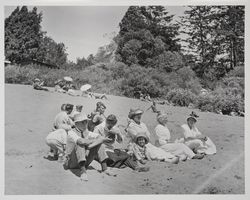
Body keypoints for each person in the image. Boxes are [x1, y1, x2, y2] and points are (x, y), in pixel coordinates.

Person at [64, 113, 116, 181]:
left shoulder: (86, 132)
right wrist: (94, 141)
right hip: (72, 162)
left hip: (84, 161)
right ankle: (83, 173)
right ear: (76, 124)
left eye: (86, 121)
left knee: (100, 144)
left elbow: (100, 137)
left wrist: (91, 145)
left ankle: (105, 169)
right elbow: (81, 141)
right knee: (80, 144)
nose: (85, 124)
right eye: (82, 122)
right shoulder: (71, 132)